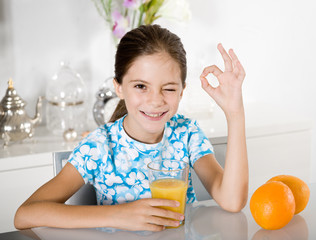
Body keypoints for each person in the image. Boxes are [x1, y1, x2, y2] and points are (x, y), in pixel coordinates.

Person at [14, 24, 248, 232]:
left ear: (182, 91)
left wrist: (235, 113)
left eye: (168, 88)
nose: (156, 100)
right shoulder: (100, 146)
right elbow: (25, 214)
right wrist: (118, 215)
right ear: (119, 88)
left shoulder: (186, 134)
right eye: (140, 86)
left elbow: (232, 200)